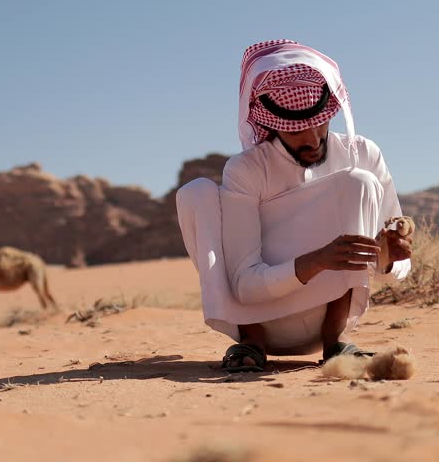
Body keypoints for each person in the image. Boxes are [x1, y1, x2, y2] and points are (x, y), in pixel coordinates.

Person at [176, 39, 412, 372]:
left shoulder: (363, 154)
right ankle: (250, 342)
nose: (313, 139)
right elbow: (245, 287)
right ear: (271, 122)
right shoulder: (247, 169)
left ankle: (336, 341)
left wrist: (390, 258)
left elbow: (391, 270)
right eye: (297, 129)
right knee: (195, 193)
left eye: (320, 122)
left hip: (328, 319)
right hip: (259, 319)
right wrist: (318, 260)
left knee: (357, 180)